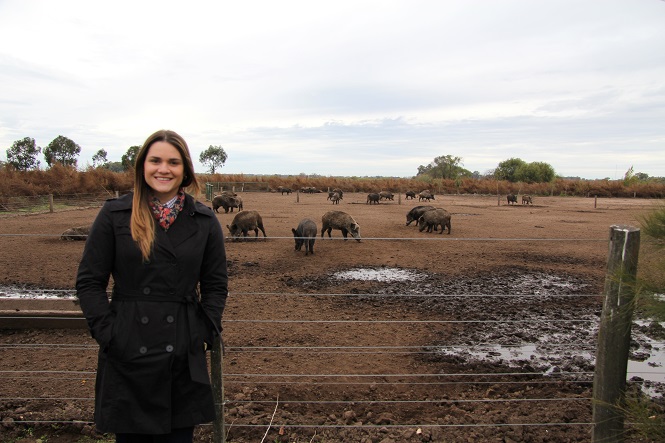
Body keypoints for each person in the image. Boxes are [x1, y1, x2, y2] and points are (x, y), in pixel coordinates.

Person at [76, 129, 228, 442]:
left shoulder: (204, 221)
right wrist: (110, 334)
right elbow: (89, 282)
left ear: (185, 169)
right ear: (142, 166)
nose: (163, 169)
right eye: (155, 160)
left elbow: (216, 285)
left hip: (181, 350)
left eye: (173, 162)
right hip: (128, 348)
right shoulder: (115, 215)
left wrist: (201, 333)